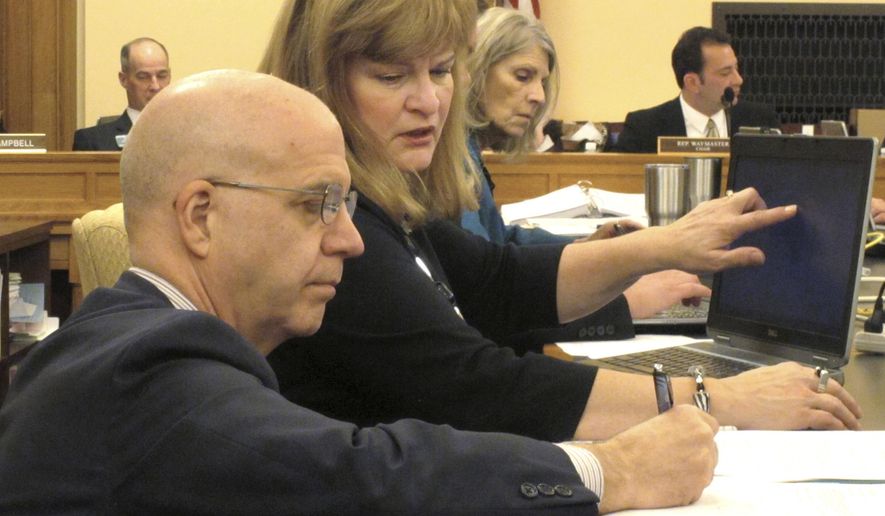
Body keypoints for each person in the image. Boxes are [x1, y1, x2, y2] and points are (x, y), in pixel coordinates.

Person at [1, 68, 722, 515]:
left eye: (346, 205)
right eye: (316, 203)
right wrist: (609, 469)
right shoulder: (149, 368)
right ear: (200, 215)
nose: (348, 239)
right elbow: (369, 475)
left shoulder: (131, 340)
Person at [262, 0, 860, 449]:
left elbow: (498, 279)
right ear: (320, 80)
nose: (429, 101)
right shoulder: (332, 229)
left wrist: (663, 245)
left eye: (441, 71)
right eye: (392, 76)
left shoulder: (380, 200)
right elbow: (477, 388)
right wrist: (720, 398)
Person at [460, 7, 709, 351]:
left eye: (542, 82)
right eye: (522, 76)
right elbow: (485, 298)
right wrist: (624, 304)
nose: (540, 96)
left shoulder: (464, 151)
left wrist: (590, 251)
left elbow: (500, 242)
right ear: (474, 70)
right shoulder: (452, 160)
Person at [613, 27, 779, 153]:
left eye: (736, 68)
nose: (738, 80)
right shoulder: (644, 129)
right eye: (725, 72)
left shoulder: (761, 120)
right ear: (692, 82)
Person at [73, 37, 171, 151]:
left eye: (162, 76)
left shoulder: (189, 134)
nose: (155, 86)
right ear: (124, 79)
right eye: (143, 77)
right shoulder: (93, 141)